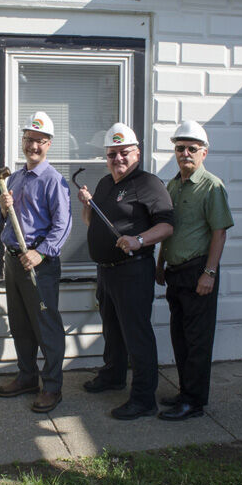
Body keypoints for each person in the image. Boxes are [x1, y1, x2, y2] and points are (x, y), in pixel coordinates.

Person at [78, 123, 174, 420]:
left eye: (124, 152)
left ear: (137, 153)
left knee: (136, 334)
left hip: (133, 270)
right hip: (107, 271)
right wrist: (87, 205)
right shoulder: (105, 183)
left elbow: (167, 226)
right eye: (112, 154)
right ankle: (113, 375)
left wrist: (138, 240)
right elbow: (91, 223)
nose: (118, 158)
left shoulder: (148, 183)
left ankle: (144, 399)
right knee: (112, 328)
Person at [156, 120, 233, 421]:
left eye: (192, 148)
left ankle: (194, 402)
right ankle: (185, 392)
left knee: (198, 340)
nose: (185, 153)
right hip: (176, 273)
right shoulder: (173, 185)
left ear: (204, 152)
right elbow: (168, 230)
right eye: (180, 148)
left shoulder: (212, 186)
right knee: (180, 338)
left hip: (198, 272)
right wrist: (160, 264)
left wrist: (209, 273)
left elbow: (219, 233)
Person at [0, 112, 72, 413]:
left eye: (40, 141)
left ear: (49, 144)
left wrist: (41, 252)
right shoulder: (15, 178)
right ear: (23, 141)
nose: (33, 146)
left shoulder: (54, 180)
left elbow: (63, 225)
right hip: (13, 261)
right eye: (29, 139)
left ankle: (52, 387)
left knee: (46, 326)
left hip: (40, 263)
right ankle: (27, 376)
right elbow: (2, 220)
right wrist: (3, 208)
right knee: (20, 323)